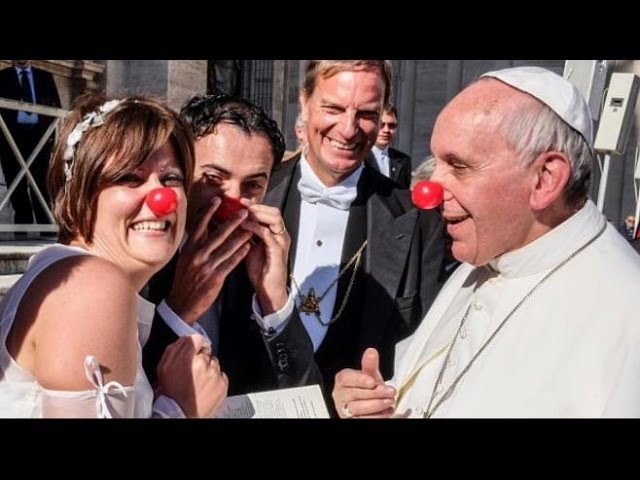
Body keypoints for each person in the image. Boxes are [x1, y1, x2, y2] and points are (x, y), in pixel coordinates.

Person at [332, 66, 640, 418]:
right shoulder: (489, 254)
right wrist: (371, 401)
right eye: (436, 163)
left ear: (545, 178)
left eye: (459, 166)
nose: (427, 193)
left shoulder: (627, 317)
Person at [0, 94, 226, 418]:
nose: (160, 197)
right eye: (129, 178)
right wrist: (182, 408)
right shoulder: (91, 286)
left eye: (171, 178)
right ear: (77, 197)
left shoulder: (66, 274)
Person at [264, 60, 446, 415]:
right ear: (304, 102)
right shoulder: (256, 195)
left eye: (366, 113)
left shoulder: (420, 223)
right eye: (333, 108)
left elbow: (425, 353)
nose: (348, 130)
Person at [143, 93, 320, 395]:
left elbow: (305, 397)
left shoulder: (256, 264)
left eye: (252, 185)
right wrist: (179, 309)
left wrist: (274, 301)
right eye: (214, 179)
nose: (233, 200)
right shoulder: (141, 255)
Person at [0, 60, 61, 228]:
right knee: (16, 183)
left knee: (41, 183)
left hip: (39, 138)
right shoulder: (2, 77)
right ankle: (22, 228)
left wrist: (54, 139)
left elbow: (56, 107)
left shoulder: (45, 77)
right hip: (11, 138)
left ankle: (45, 227)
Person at [366, 104, 412, 189]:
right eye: (381, 125)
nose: (386, 130)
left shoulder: (403, 160)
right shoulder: (359, 158)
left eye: (391, 125)